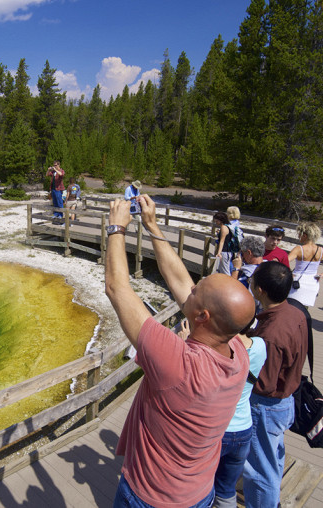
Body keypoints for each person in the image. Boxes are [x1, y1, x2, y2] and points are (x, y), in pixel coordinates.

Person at [106, 194, 256, 508]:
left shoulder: (177, 363)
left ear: (202, 317)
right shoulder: (238, 353)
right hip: (198, 493)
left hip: (149, 497)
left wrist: (116, 230)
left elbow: (117, 289)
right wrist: (151, 225)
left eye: (198, 288)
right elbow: (183, 286)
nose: (192, 285)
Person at [242, 262, 308, 508]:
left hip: (265, 406)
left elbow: (264, 383)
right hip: (284, 401)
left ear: (260, 290)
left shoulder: (272, 334)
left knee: (259, 471)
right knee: (273, 456)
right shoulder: (295, 312)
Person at [213, 330, 267, 508]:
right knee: (226, 489)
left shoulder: (218, 352)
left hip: (218, 431)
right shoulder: (260, 345)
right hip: (244, 429)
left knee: (201, 487)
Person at [287, 222, 323, 307]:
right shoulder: (322, 251)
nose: (298, 236)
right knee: (304, 309)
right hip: (313, 281)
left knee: (291, 306)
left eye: (299, 234)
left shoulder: (299, 249)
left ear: (305, 235)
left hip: (298, 280)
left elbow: (285, 261)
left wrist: (289, 273)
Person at [214, 212, 237, 276]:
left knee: (225, 272)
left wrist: (219, 253)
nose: (215, 222)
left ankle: (229, 284)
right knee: (223, 270)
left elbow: (222, 241)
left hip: (225, 252)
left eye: (216, 220)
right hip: (228, 252)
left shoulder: (223, 227)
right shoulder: (227, 227)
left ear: (221, 220)